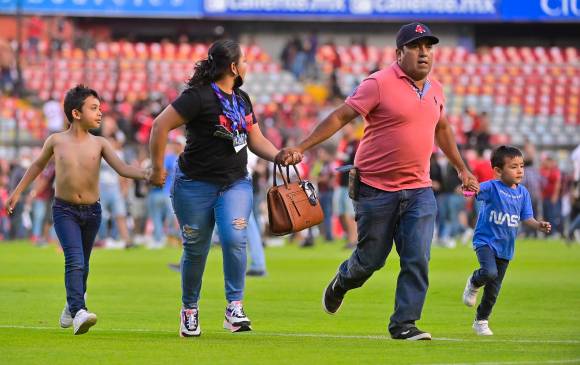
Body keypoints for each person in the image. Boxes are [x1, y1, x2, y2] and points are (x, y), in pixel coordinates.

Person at [277, 22, 479, 340]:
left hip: (419, 189)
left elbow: (443, 129)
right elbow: (341, 116)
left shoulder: (437, 89)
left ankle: (404, 324)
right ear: (399, 53)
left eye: (428, 47)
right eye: (416, 46)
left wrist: (462, 169)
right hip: (375, 189)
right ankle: (342, 282)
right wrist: (302, 148)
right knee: (369, 261)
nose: (424, 52)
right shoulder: (378, 83)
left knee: (417, 258)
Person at [149, 39, 289, 337]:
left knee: (234, 237)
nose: (248, 66)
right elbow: (159, 126)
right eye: (246, 61)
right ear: (234, 67)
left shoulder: (242, 99)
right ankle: (189, 309)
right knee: (196, 248)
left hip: (234, 183)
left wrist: (278, 155)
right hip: (194, 184)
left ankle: (234, 308)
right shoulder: (196, 97)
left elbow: (255, 139)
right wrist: (158, 169)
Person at [5, 85, 150, 335]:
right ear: (76, 113)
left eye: (100, 108)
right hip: (64, 211)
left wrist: (149, 173)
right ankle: (79, 311)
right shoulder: (56, 141)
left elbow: (124, 169)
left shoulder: (100, 143)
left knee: (84, 264)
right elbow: (37, 167)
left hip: (92, 212)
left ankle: (71, 306)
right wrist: (17, 192)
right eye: (94, 108)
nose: (100, 113)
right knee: (74, 260)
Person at [462, 146, 551, 336]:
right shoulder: (492, 187)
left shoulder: (523, 193)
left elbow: (526, 218)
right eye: (513, 167)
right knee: (489, 272)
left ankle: (481, 321)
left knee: (493, 290)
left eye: (521, 166)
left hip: (505, 248)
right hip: (485, 241)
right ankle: (474, 282)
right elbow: (474, 191)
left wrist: (538, 225)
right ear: (498, 171)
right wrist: (468, 188)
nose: (519, 170)